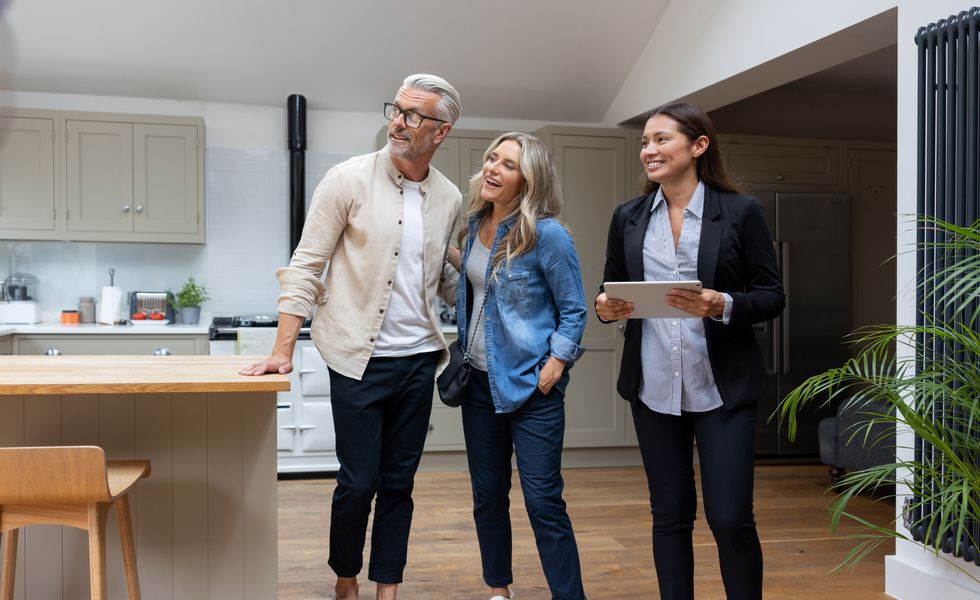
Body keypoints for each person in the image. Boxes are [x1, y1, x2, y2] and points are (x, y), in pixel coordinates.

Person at [240, 74, 462, 600]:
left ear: (441, 131)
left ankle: (387, 586)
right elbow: (306, 265)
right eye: (396, 109)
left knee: (399, 485)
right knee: (359, 481)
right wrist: (281, 351)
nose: (398, 122)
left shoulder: (449, 197)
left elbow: (442, 278)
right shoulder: (347, 179)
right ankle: (346, 577)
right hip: (357, 358)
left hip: (419, 359)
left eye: (413, 116)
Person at [595, 102, 784, 600]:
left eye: (661, 140)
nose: (649, 150)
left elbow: (772, 296)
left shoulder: (741, 212)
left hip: (722, 389)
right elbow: (610, 289)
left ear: (698, 146)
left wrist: (720, 303)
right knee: (670, 515)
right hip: (654, 387)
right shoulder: (629, 217)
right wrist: (606, 308)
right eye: (644, 142)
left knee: (729, 518)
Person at [454, 132, 588, 600]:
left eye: (508, 164)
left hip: (533, 388)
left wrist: (554, 366)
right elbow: (479, 289)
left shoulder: (547, 234)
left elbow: (574, 309)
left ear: (528, 180)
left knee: (543, 501)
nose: (493, 168)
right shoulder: (475, 223)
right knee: (487, 497)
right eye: (492, 158)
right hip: (478, 384)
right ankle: (499, 589)